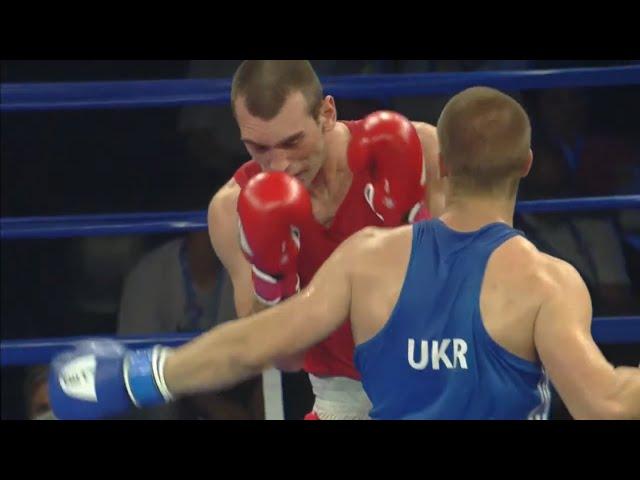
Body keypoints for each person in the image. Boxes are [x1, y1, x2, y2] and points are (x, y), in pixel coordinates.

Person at [48, 86, 640, 420]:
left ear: (445, 164)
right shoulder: (548, 282)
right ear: (528, 166)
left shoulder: (365, 259)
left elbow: (258, 340)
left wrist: (138, 377)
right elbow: (607, 405)